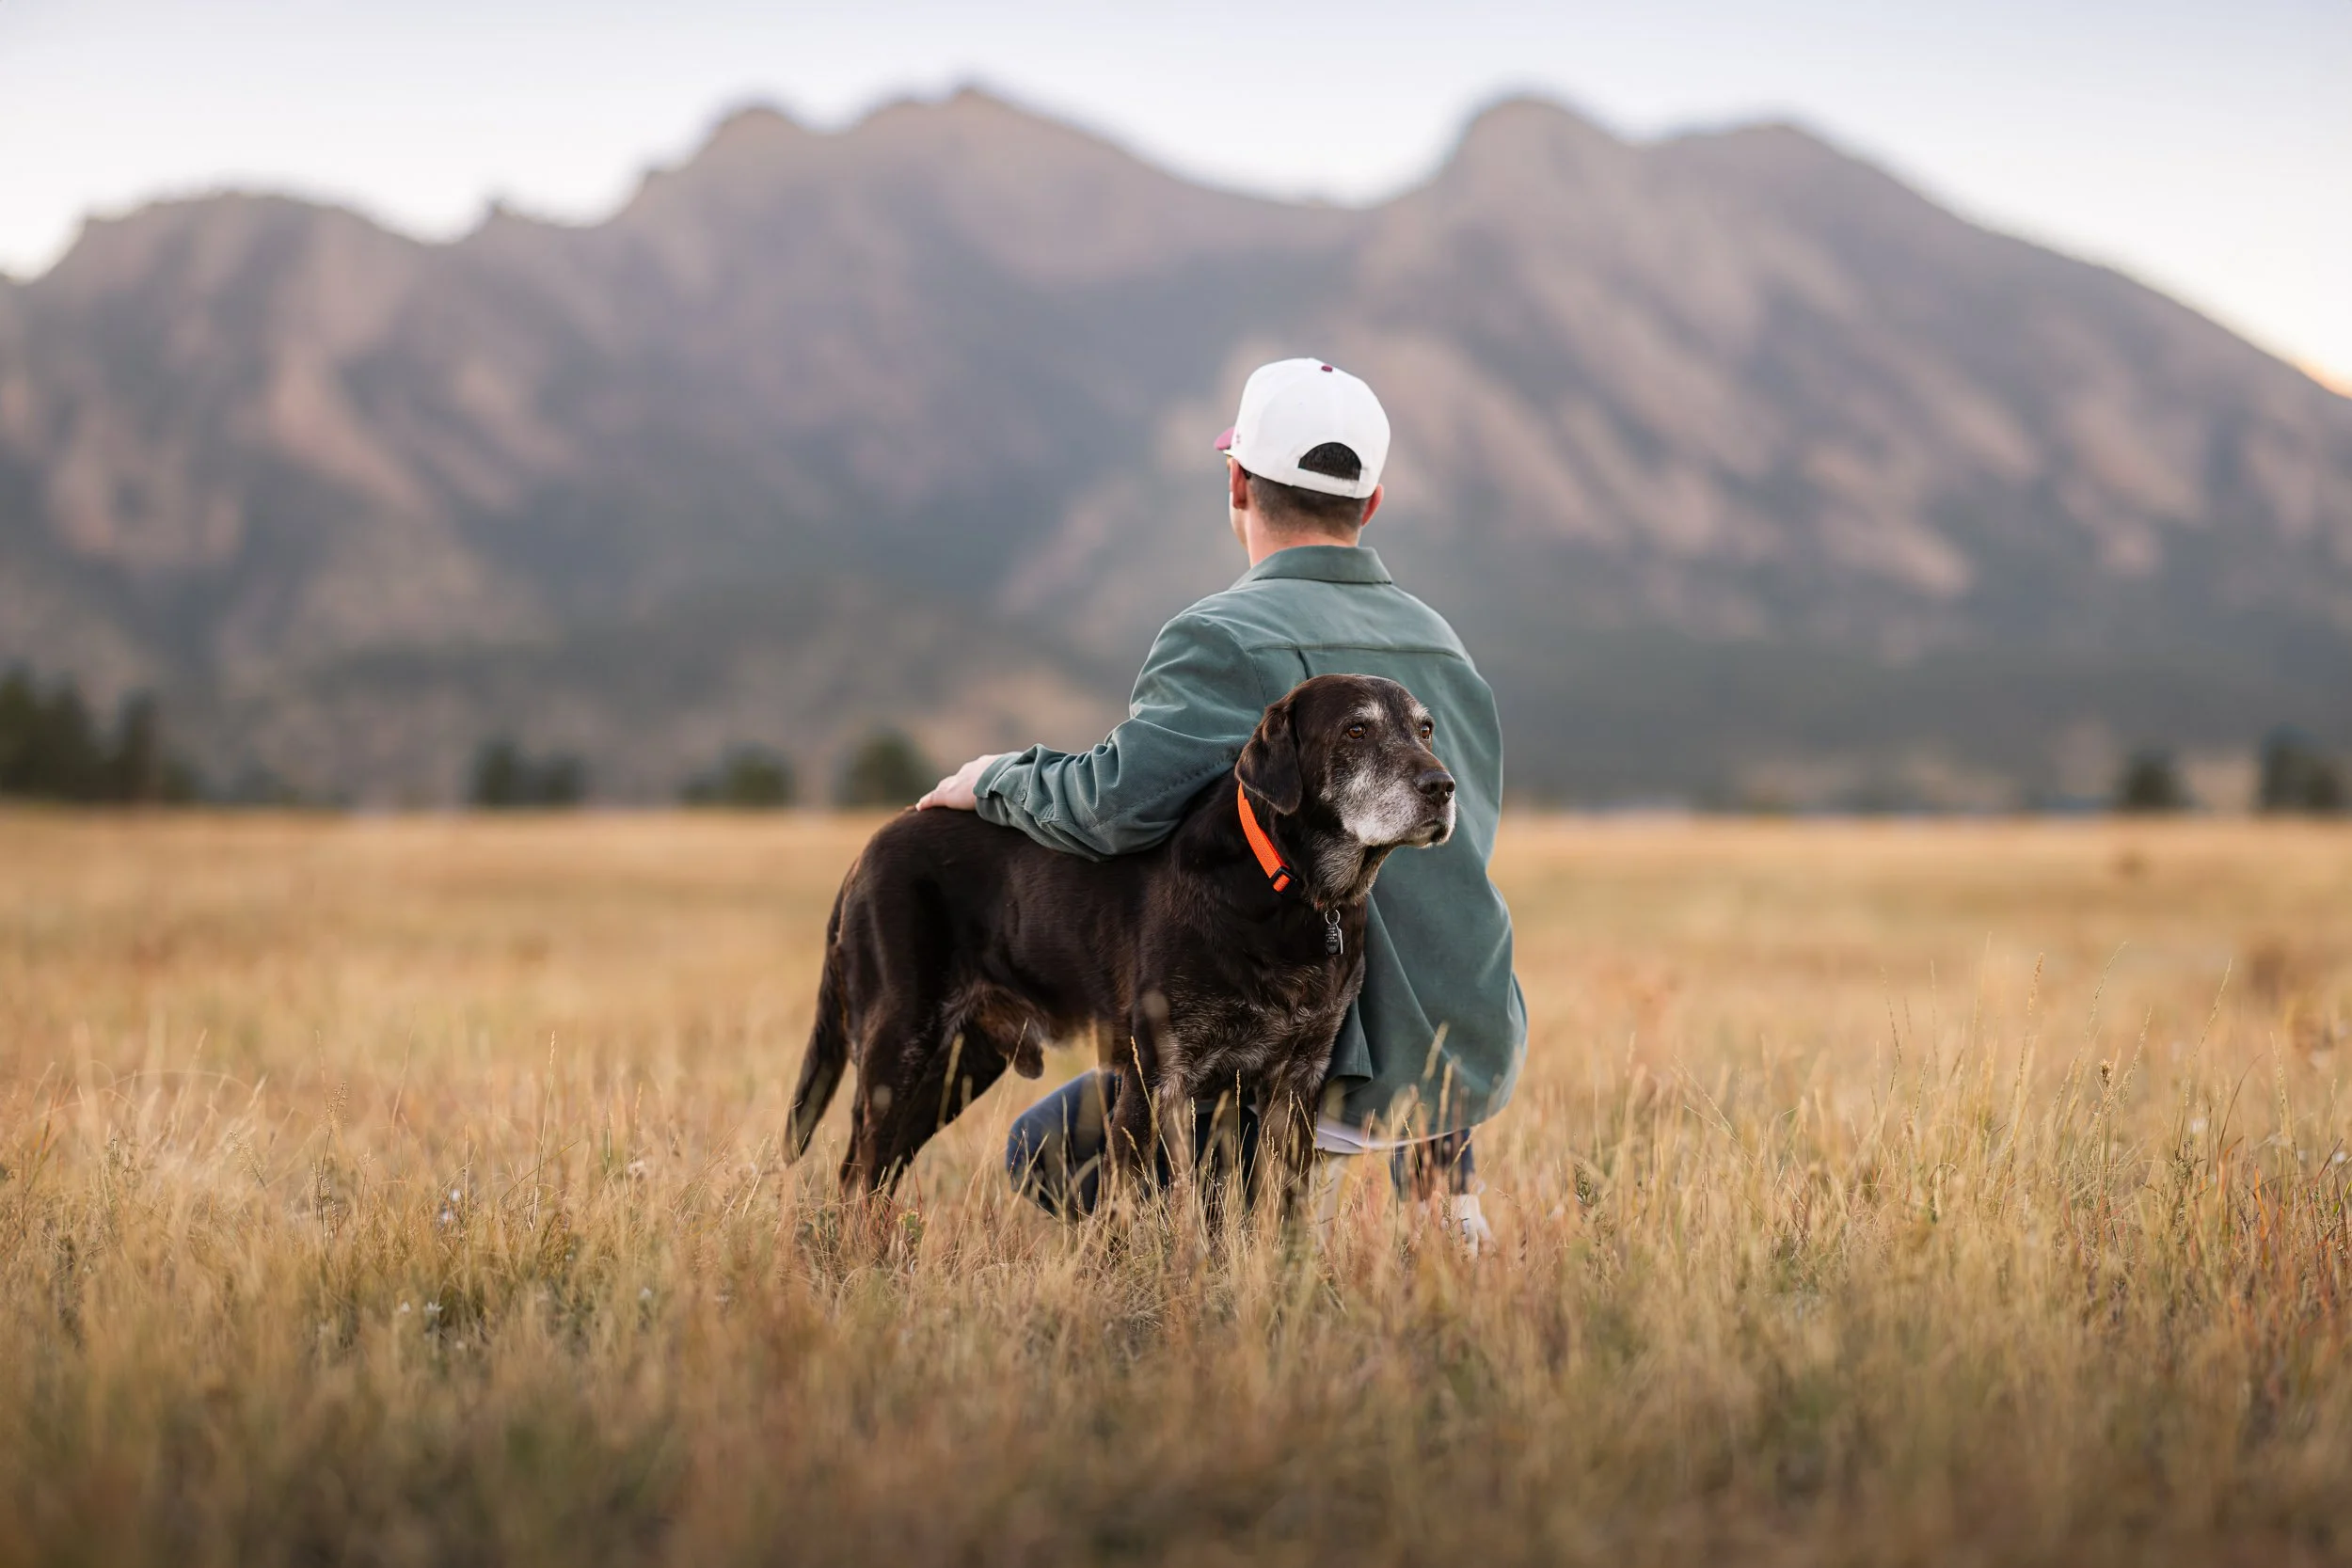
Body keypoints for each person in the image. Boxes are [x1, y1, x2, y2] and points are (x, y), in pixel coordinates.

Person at [918, 357, 1525, 1245]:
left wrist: (994, 781)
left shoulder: (1222, 638)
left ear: (1236, 481)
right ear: (1373, 504)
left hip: (1320, 1041)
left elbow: (1112, 805)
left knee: (1042, 1147)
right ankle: (1436, 1209)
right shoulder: (1443, 647)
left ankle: (1212, 1274)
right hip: (1463, 1038)